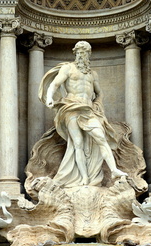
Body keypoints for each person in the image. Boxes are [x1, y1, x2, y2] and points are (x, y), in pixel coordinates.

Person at [39, 41, 127, 187]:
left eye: (84, 52)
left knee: (101, 138)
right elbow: (54, 84)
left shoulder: (93, 74)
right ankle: (84, 178)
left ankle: (114, 170)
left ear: (89, 55)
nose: (82, 55)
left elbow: (99, 93)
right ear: (75, 53)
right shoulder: (68, 68)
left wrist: (98, 104)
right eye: (79, 52)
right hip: (71, 108)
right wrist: (49, 98)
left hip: (88, 110)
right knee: (77, 143)